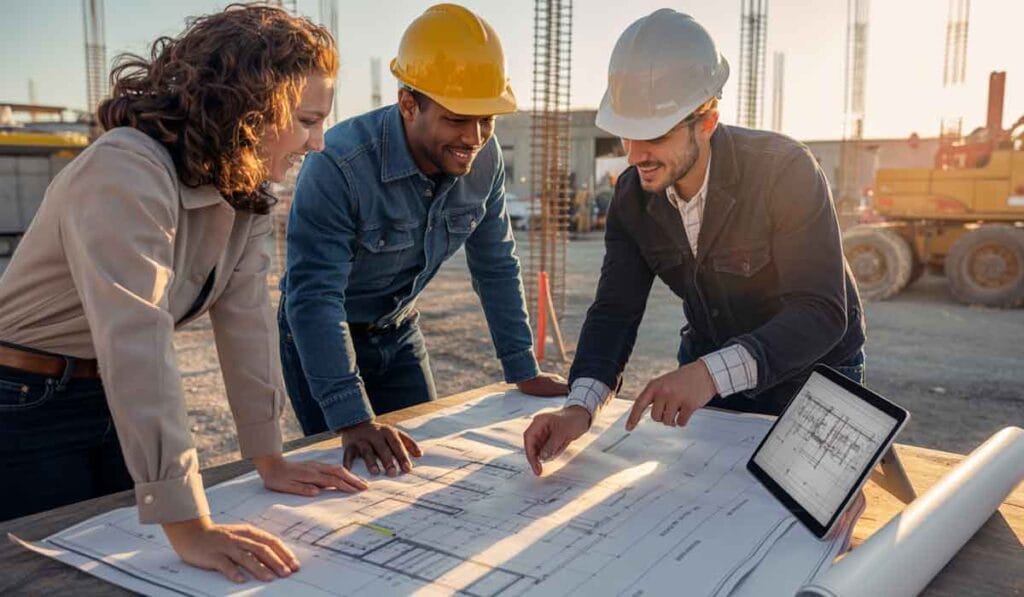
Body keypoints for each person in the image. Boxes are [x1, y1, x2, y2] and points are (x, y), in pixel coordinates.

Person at [0, 5, 367, 583]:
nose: (318, 143)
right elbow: (137, 342)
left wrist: (268, 458)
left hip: (107, 399)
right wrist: (190, 524)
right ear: (250, 105)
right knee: (47, 577)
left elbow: (246, 323)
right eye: (306, 119)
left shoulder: (242, 191)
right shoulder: (124, 167)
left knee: (131, 572)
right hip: (25, 402)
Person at [523, 9, 866, 475]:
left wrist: (706, 374)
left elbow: (822, 311)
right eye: (628, 133)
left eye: (656, 135)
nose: (636, 153)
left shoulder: (784, 171)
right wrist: (578, 407)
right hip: (711, 368)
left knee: (799, 519)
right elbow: (614, 311)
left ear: (706, 121)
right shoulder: (632, 198)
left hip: (814, 373)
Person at [279, 3, 567, 479]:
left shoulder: (484, 157)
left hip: (398, 332)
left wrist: (523, 367)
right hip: (322, 333)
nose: (474, 137)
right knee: (356, 475)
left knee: (421, 467)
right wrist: (352, 417)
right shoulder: (339, 166)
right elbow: (314, 299)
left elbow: (496, 263)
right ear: (409, 104)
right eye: (457, 119)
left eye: (486, 120)